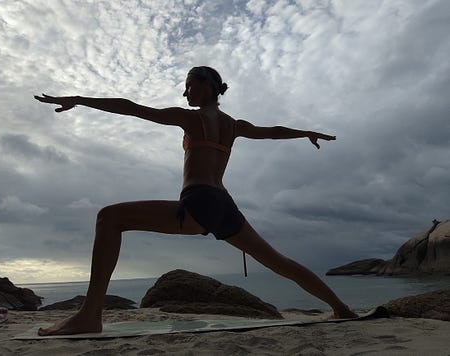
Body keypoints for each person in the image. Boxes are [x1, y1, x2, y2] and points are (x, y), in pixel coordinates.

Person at [34, 66, 357, 335]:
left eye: (188, 86)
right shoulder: (234, 125)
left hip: (200, 200)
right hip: (223, 205)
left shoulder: (191, 119)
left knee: (109, 217)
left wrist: (78, 99)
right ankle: (341, 308)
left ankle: (89, 316)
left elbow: (131, 107)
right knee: (278, 262)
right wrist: (305, 132)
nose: (185, 94)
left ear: (205, 84)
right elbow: (271, 131)